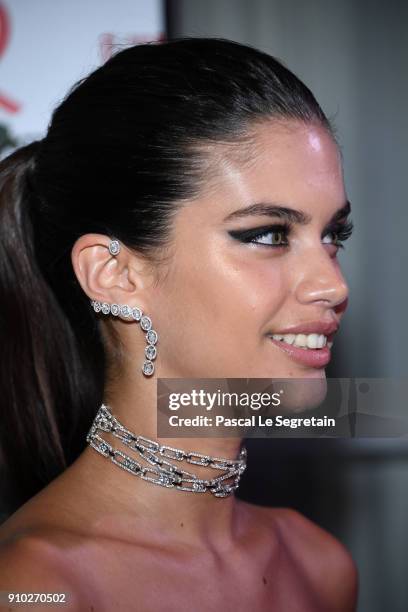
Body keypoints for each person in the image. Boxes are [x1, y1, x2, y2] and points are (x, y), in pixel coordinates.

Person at [0, 37, 357, 611]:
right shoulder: (34, 588)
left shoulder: (319, 565)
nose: (333, 286)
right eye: (267, 234)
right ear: (115, 274)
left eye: (333, 235)